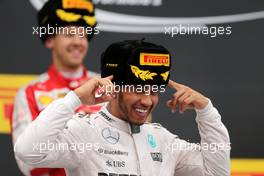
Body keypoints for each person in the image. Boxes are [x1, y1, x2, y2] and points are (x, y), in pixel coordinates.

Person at [14, 39, 231, 176]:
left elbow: (217, 172)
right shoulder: (85, 131)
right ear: (113, 86)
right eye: (137, 89)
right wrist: (75, 99)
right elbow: (27, 151)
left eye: (153, 91)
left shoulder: (162, 139)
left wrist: (206, 111)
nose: (147, 101)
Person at [11, 0, 99, 175]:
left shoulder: (105, 86)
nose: (78, 42)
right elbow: (27, 163)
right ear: (50, 40)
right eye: (69, 34)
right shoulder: (30, 92)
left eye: (82, 35)